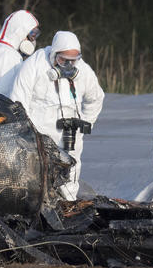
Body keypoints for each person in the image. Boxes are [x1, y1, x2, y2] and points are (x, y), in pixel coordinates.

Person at [10, 31, 104, 200]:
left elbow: (96, 98)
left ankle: (69, 203)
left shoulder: (83, 70)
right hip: (39, 134)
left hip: (70, 133)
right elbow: (18, 100)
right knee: (35, 174)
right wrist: (27, 133)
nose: (68, 65)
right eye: (63, 60)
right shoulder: (35, 65)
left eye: (73, 60)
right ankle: (36, 205)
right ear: (54, 54)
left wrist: (85, 124)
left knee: (71, 172)